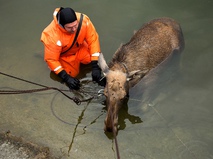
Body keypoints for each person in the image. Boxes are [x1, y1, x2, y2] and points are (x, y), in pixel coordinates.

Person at [41, 7, 103, 90]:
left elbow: (93, 40)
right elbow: (52, 60)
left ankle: (89, 66)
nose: (74, 29)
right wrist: (66, 78)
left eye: (75, 25)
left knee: (95, 58)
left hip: (79, 48)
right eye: (70, 27)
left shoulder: (83, 20)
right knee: (73, 76)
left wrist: (95, 66)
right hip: (65, 56)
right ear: (62, 25)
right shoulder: (51, 35)